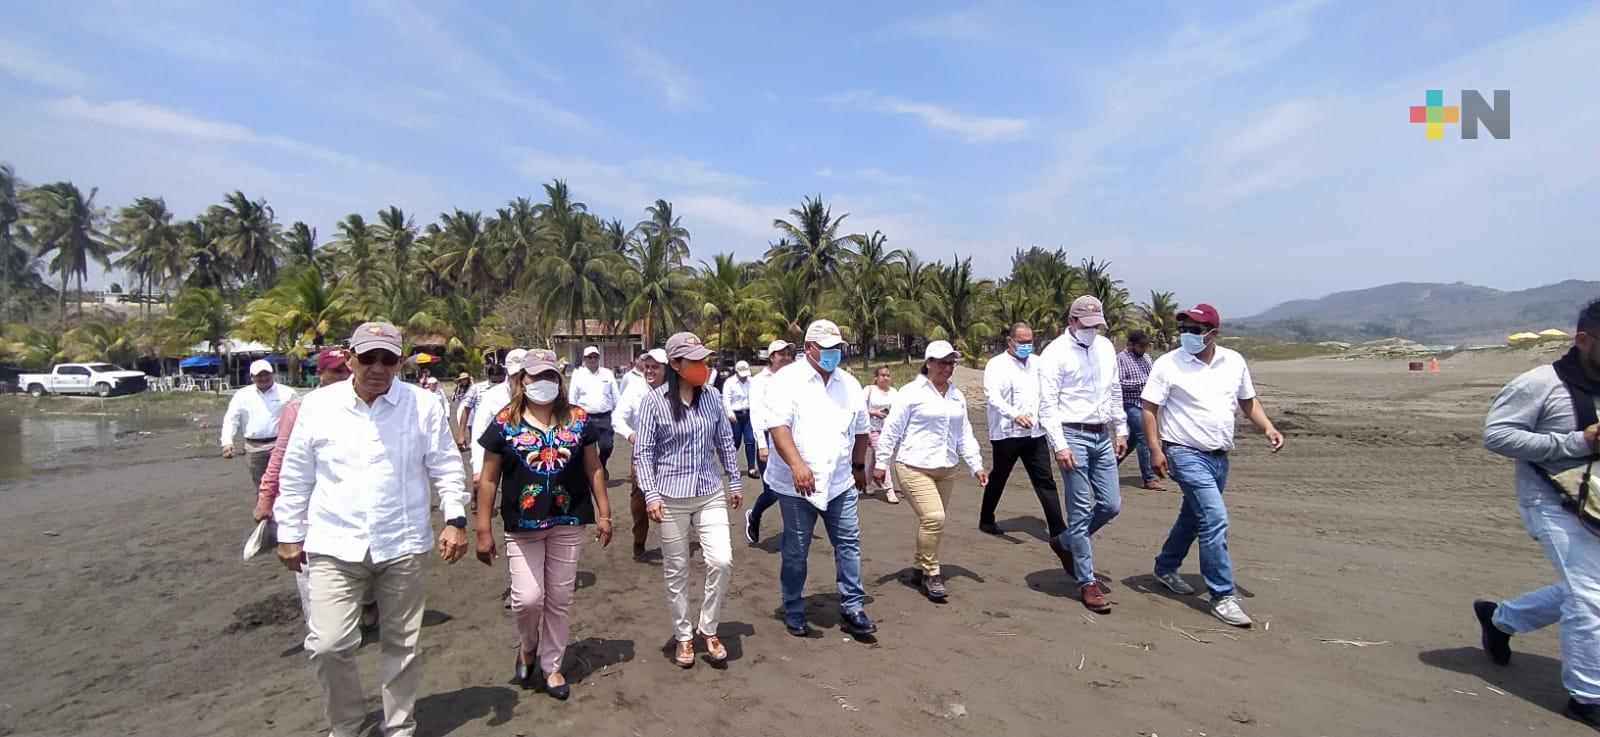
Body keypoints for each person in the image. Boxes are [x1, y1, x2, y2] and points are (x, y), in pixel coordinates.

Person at [273, 322, 470, 737]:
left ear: (400, 362)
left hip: (402, 542)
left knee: (402, 644)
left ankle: (398, 726)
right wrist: (288, 532)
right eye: (368, 358)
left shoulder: (421, 405)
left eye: (388, 359)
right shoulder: (318, 406)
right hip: (333, 542)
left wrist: (455, 519)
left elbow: (446, 465)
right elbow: (296, 475)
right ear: (350, 359)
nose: (378, 368)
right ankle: (345, 725)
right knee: (328, 645)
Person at [1474, 298, 1600, 728]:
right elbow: (1497, 436)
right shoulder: (1540, 384)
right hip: (1552, 502)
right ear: (1583, 340)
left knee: (1587, 589)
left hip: (1597, 501)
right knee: (1590, 596)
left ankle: (1501, 619)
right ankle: (1587, 697)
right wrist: (1578, 442)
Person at [474, 349, 611, 700]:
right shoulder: (505, 421)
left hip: (569, 519)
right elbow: (488, 478)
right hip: (522, 525)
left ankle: (552, 666)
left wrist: (605, 512)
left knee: (560, 597)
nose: (544, 383)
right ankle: (528, 644)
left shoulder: (578, 419)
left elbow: (594, 467)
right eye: (536, 376)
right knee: (527, 600)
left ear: (559, 380)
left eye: (550, 376)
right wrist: (483, 529)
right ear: (522, 380)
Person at [1141, 303, 1284, 629]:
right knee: (1215, 519)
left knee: (1193, 517)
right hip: (1184, 453)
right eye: (1183, 329)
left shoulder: (1233, 361)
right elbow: (1149, 408)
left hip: (1219, 457)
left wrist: (1268, 427)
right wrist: (1155, 449)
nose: (1186, 335)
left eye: (1194, 330)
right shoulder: (1168, 364)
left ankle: (1166, 566)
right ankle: (1222, 595)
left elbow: (1247, 400)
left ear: (1212, 333)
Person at [760, 319, 876, 637]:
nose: (833, 353)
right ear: (809, 348)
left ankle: (853, 606)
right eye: (827, 348)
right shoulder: (787, 381)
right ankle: (794, 606)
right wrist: (797, 465)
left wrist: (858, 467)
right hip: (797, 485)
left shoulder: (849, 384)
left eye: (837, 348)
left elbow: (861, 430)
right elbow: (779, 428)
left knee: (848, 544)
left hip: (839, 481)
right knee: (796, 549)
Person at [634, 332, 742, 667]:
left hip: (709, 492)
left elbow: (725, 441)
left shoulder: (712, 396)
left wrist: (735, 481)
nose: (701, 366)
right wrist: (651, 494)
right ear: (675, 364)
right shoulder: (654, 402)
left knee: (721, 561)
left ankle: (708, 627)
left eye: (703, 360)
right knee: (677, 569)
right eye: (693, 360)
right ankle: (683, 635)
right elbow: (643, 453)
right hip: (670, 497)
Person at [253, 348, 373, 636]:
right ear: (320, 373)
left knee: (364, 567)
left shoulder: (369, 403)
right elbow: (281, 457)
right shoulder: (302, 408)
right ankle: (322, 634)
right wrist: (265, 499)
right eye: (336, 371)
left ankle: (366, 607)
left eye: (346, 369)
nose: (343, 375)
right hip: (313, 507)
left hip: (356, 505)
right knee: (312, 576)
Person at [874, 341, 988, 602]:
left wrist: (976, 465)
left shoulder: (956, 395)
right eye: (942, 363)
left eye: (951, 363)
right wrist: (881, 463)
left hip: (946, 468)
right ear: (928, 363)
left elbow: (964, 433)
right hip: (913, 466)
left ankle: (918, 568)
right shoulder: (911, 393)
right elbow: (891, 429)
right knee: (934, 518)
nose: (947, 368)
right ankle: (931, 573)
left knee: (931, 522)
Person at [1038, 295, 1128, 614]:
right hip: (1071, 433)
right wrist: (1059, 444)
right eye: (1086, 325)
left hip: (1101, 433)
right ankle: (1086, 581)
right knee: (1078, 510)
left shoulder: (1105, 348)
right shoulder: (1054, 354)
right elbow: (1047, 404)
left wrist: (1121, 428)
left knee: (1111, 504)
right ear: (1072, 322)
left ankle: (1065, 542)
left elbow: (1114, 389)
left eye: (1096, 325)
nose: (1092, 330)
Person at [979, 323, 1074, 571]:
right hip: (1006, 433)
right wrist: (1013, 414)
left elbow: (1048, 395)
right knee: (999, 477)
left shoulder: (1039, 364)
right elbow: (992, 396)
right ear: (1010, 341)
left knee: (1045, 481)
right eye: (1022, 342)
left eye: (1030, 341)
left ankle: (1058, 530)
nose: (1026, 346)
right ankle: (986, 518)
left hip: (1035, 433)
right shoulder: (996, 365)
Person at [615, 348, 669, 560]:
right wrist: (630, 434)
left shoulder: (675, 391)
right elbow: (618, 417)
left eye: (655, 367)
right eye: (647, 367)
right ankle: (639, 538)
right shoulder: (635, 389)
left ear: (666, 369)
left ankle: (673, 540)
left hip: (670, 454)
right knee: (639, 496)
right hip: (642, 453)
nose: (650, 371)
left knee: (671, 495)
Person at [744, 339, 797, 543]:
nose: (786, 358)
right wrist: (762, 445)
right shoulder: (759, 381)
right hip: (768, 436)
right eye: (781, 354)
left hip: (790, 436)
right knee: (772, 491)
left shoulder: (795, 379)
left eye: (788, 354)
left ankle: (794, 531)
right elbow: (756, 413)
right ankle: (754, 516)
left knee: (793, 486)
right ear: (772, 357)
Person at [221, 358, 297, 490]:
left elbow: (299, 417)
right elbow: (231, 419)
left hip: (281, 444)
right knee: (262, 486)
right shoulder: (242, 395)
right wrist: (227, 442)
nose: (264, 378)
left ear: (272, 374)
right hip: (254, 447)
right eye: (259, 375)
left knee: (285, 483)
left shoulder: (288, 393)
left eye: (267, 374)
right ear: (252, 377)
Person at [470, 350, 527, 482]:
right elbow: (480, 430)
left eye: (524, 373)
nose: (519, 378)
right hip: (500, 458)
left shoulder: (539, 395)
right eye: (515, 374)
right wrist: (478, 468)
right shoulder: (493, 396)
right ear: (507, 371)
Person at [1118, 330, 1163, 491]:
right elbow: (1118, 383)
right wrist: (1142, 383)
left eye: (1145, 346)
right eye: (1140, 346)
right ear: (1131, 345)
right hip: (1129, 403)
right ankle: (1149, 478)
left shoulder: (1147, 358)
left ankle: (1108, 465)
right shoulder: (1121, 359)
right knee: (1144, 437)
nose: (1144, 349)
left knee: (1134, 440)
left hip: (1146, 404)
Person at [569, 345, 621, 468]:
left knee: (607, 446)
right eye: (589, 357)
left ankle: (601, 465)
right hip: (585, 417)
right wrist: (572, 415)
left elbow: (615, 395)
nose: (592, 360)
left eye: (595, 357)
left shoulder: (607, 373)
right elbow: (572, 396)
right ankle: (588, 471)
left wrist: (619, 413)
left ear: (598, 358)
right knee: (583, 448)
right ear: (585, 359)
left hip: (604, 417)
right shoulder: (578, 374)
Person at [865, 365, 900, 503]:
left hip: (888, 431)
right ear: (876, 377)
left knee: (876, 458)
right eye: (882, 375)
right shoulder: (869, 390)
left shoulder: (894, 392)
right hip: (872, 429)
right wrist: (874, 412)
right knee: (883, 457)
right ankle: (889, 489)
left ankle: (866, 483)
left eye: (888, 375)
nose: (885, 378)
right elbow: (860, 408)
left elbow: (899, 410)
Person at [456, 362, 507, 452]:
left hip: (505, 432)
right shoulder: (477, 389)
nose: (497, 384)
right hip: (482, 431)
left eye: (500, 382)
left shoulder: (510, 389)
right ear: (488, 377)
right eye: (494, 382)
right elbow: (466, 410)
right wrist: (461, 435)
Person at [724, 360, 759, 477]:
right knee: (735, 441)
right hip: (735, 416)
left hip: (748, 414)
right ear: (736, 372)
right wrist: (730, 412)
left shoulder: (751, 382)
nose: (744, 377)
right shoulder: (730, 382)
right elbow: (726, 399)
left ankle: (751, 468)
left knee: (750, 441)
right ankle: (730, 466)